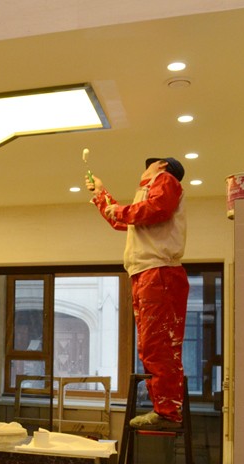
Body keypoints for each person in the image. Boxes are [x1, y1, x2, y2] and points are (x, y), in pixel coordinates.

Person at [86, 157, 189, 430]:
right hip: (147, 272)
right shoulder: (149, 192)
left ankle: (168, 413)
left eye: (148, 165)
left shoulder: (164, 180)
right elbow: (124, 219)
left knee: (159, 344)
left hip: (158, 272)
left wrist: (120, 207)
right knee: (151, 345)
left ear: (162, 165)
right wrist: (101, 194)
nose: (144, 171)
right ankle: (164, 410)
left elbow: (154, 209)